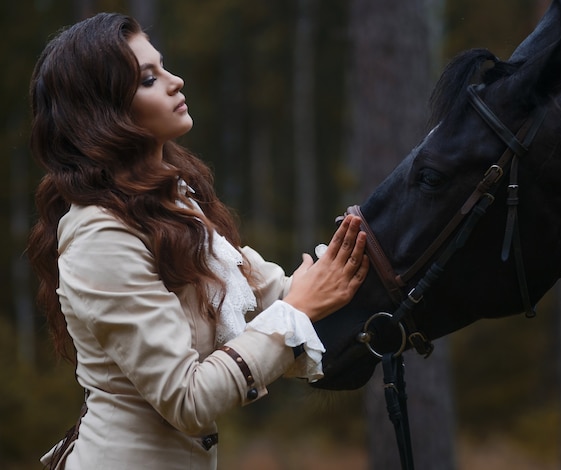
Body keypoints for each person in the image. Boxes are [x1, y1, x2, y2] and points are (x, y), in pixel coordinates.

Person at [28, 12, 368, 470]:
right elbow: (187, 398)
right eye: (149, 79)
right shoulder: (99, 237)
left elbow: (273, 294)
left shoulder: (172, 202)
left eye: (163, 67)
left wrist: (376, 259)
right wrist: (300, 311)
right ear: (103, 113)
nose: (175, 81)